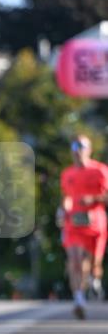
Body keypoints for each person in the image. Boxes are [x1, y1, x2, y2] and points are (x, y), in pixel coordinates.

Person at [58, 135, 108, 319]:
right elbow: (66, 197)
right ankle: (79, 299)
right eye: (74, 146)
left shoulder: (100, 171)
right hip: (74, 223)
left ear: (89, 149)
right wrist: (63, 209)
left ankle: (95, 279)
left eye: (81, 146)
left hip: (96, 223)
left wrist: (93, 199)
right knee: (75, 259)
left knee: (94, 263)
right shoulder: (67, 174)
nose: (77, 150)